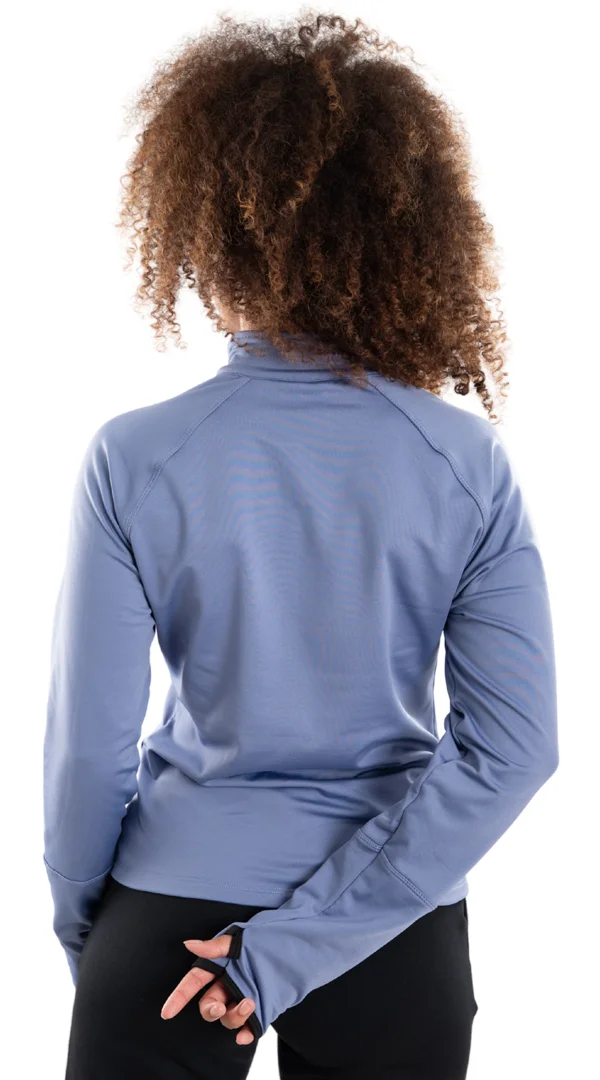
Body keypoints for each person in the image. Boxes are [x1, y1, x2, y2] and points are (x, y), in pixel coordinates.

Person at [43, 12, 559, 1080]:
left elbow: (88, 754)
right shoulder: (465, 462)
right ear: (406, 233)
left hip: (170, 926)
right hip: (392, 930)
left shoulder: (136, 456)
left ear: (202, 228)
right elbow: (514, 749)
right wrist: (293, 949)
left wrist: (96, 937)